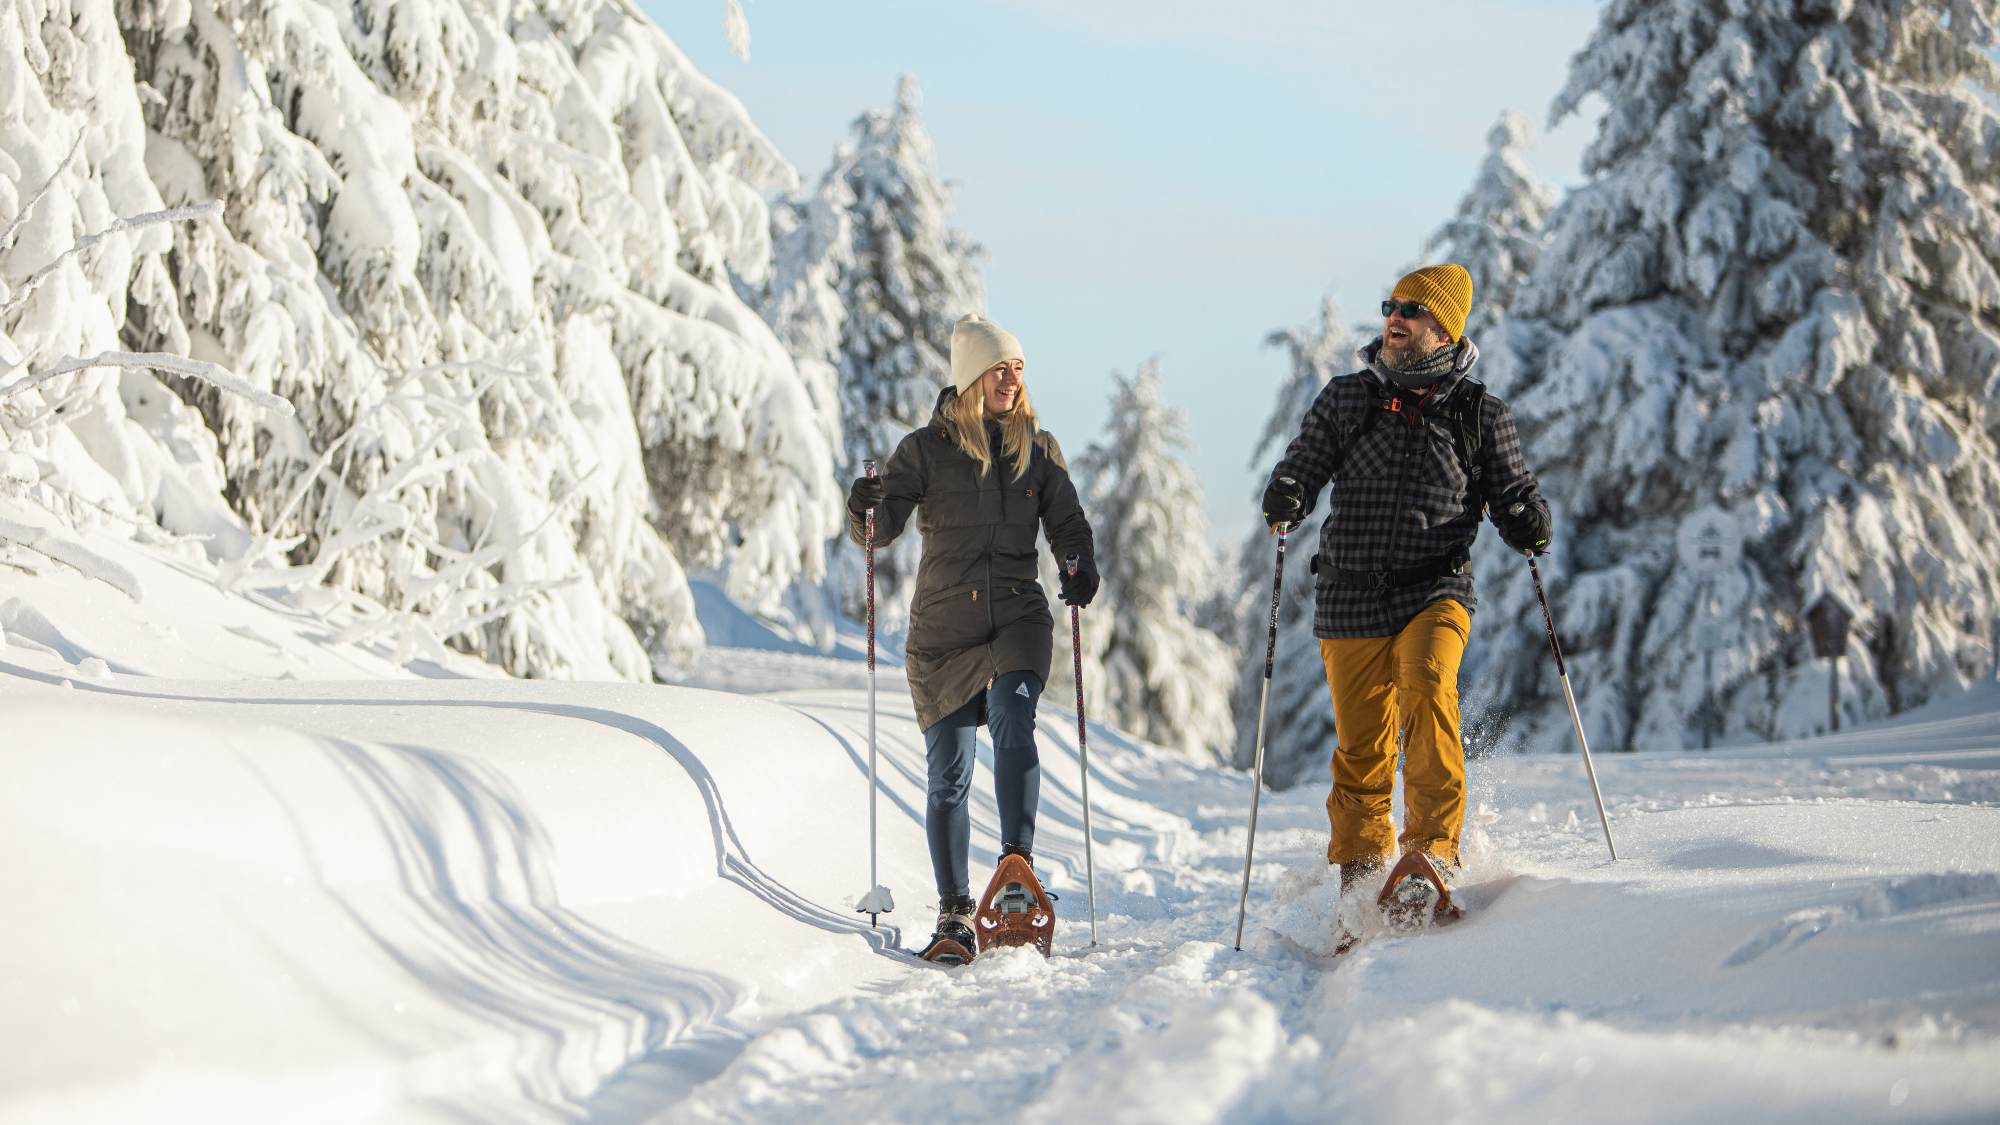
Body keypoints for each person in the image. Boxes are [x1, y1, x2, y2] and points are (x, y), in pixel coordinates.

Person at [1259, 264, 1550, 902]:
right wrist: (1289, 491)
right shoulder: (1348, 399)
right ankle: (1363, 880)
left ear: (1444, 330)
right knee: (1363, 748)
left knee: (1427, 681)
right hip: (1349, 597)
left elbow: (1515, 495)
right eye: (1392, 305)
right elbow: (1303, 463)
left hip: (1435, 592)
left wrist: (1529, 520)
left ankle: (1432, 855)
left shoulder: (1479, 415)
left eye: (1413, 310)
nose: (1395, 317)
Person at [846, 313, 1097, 958]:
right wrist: (866, 508)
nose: (1012, 380)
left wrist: (1078, 564)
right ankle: (956, 912)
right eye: (999, 369)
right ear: (970, 378)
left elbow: (1067, 522)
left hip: (1016, 616)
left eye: (1018, 369)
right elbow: (881, 528)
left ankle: (1017, 874)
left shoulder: (1036, 449)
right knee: (949, 774)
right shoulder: (924, 451)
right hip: (944, 631)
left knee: (1016, 715)